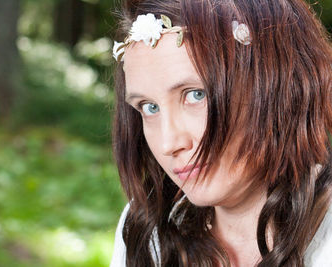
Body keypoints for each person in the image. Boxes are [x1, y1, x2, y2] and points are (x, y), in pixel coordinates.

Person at [110, 0, 332, 266]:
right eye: (149, 107)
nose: (169, 143)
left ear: (278, 86)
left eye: (196, 94)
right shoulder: (148, 232)